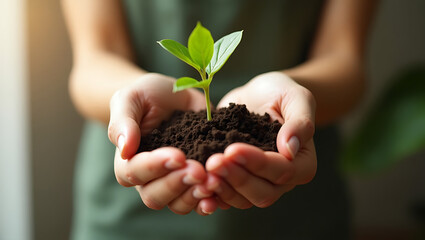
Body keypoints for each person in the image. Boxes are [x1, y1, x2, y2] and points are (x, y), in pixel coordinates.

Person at [62, 0, 377, 239]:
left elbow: (344, 58)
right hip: (129, 208)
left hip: (293, 201)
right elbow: (94, 59)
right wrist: (130, 97)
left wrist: (292, 94)